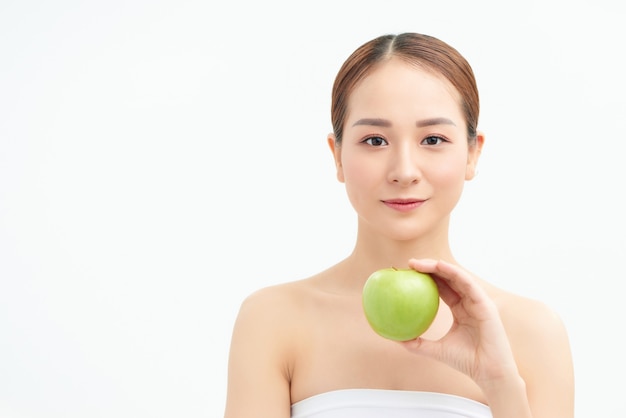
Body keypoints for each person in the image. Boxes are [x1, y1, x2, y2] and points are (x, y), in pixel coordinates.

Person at [223, 32, 575, 418]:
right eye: (375, 140)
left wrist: (499, 382)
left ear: (473, 153)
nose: (404, 171)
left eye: (433, 139)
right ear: (337, 155)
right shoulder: (273, 319)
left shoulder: (533, 332)